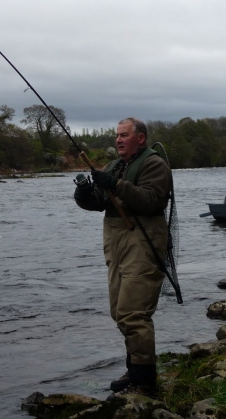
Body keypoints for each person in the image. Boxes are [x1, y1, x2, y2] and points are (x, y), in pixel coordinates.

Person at [73, 117, 171, 396]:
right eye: (117, 135)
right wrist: (83, 193)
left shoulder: (154, 164)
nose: (118, 140)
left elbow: (153, 200)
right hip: (116, 242)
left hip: (144, 240)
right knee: (119, 311)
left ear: (140, 138)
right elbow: (99, 202)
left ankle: (144, 381)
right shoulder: (115, 166)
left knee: (134, 312)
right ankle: (135, 369)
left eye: (124, 135)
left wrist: (115, 185)